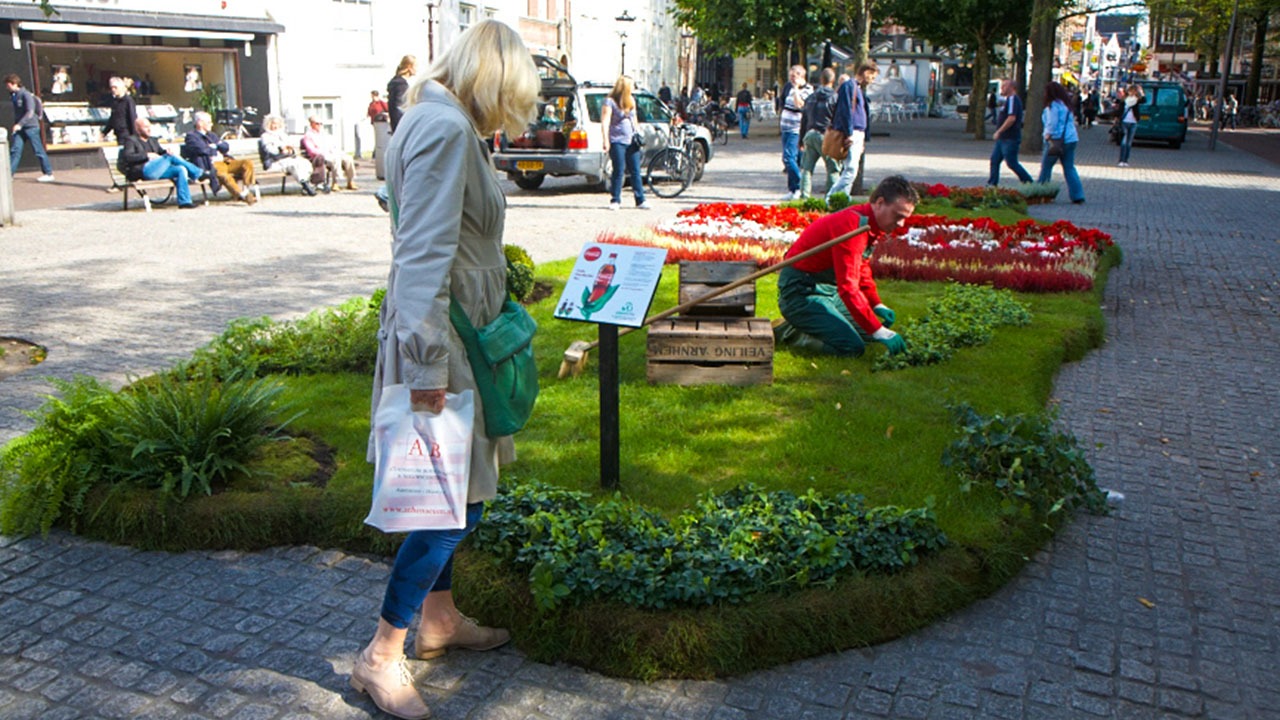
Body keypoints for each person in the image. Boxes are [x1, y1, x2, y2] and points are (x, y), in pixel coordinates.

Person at [354, 19, 538, 720]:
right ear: (493, 81)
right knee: (450, 504)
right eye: (511, 98)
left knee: (456, 493)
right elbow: (421, 258)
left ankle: (437, 618)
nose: (508, 115)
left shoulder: (438, 118)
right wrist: (428, 364)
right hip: (446, 345)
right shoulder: (443, 129)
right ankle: (380, 654)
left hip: (457, 334)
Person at [774, 175, 917, 357]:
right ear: (880, 203)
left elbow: (862, 269)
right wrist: (878, 330)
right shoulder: (852, 227)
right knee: (851, 347)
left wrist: (876, 304)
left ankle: (810, 322)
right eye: (898, 216)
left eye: (905, 218)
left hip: (827, 292)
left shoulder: (868, 223)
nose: (901, 224)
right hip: (800, 293)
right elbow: (848, 287)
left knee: (870, 333)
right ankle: (789, 332)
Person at [120, 117, 206, 209]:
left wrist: (166, 151)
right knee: (170, 157)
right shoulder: (131, 140)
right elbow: (128, 157)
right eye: (145, 127)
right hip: (143, 170)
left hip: (157, 171)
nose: (149, 129)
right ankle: (198, 173)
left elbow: (161, 153)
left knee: (181, 169)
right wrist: (147, 155)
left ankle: (184, 202)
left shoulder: (153, 140)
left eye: (149, 126)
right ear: (137, 129)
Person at [826, 61, 879, 201]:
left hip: (857, 132)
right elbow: (845, 111)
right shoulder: (850, 86)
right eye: (872, 77)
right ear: (866, 73)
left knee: (850, 169)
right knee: (850, 170)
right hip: (853, 132)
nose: (872, 81)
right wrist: (849, 133)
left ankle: (843, 198)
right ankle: (831, 197)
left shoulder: (856, 88)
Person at [181, 111, 258, 205]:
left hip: (225, 161)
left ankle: (247, 189)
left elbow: (225, 147)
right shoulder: (191, 137)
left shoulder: (212, 135)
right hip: (210, 164)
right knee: (225, 176)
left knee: (247, 163)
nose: (211, 124)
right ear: (200, 123)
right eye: (209, 122)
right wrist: (215, 147)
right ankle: (241, 195)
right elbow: (201, 150)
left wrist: (214, 146)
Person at [599, 75, 649, 211]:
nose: (633, 88)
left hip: (632, 139)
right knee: (619, 170)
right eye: (631, 86)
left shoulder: (631, 100)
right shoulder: (609, 102)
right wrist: (606, 140)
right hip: (617, 140)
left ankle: (640, 199)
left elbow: (635, 119)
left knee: (635, 171)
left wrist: (638, 133)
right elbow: (605, 121)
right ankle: (615, 199)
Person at [1037, 81, 1084, 204]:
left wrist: (1047, 135)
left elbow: (1052, 123)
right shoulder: (1066, 105)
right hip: (1071, 138)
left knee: (1046, 167)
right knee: (1069, 167)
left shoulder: (1052, 106)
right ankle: (1077, 194)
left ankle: (1041, 192)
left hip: (1056, 140)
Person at [5, 74, 54, 182]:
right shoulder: (14, 95)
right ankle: (9, 175)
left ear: (14, 84)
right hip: (21, 128)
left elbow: (30, 112)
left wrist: (19, 124)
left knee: (38, 150)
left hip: (31, 127)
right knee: (15, 150)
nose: (7, 88)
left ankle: (48, 173)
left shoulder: (26, 95)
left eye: (8, 85)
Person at [799, 68, 839, 199]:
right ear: (833, 80)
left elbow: (804, 120)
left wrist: (800, 140)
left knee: (807, 168)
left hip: (810, 133)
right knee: (833, 169)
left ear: (821, 80)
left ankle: (804, 197)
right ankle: (830, 198)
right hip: (826, 135)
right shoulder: (834, 97)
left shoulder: (811, 97)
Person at [258, 114, 319, 196]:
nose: (275, 126)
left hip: (286, 159)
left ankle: (305, 184)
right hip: (274, 162)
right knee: (293, 165)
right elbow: (270, 151)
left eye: (277, 124)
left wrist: (290, 150)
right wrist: (281, 149)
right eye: (273, 123)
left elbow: (291, 147)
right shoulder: (265, 137)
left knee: (305, 163)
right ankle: (306, 186)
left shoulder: (283, 135)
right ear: (268, 124)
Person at [988, 78, 1034, 186]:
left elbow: (1011, 118)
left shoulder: (1013, 99)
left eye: (1004, 86)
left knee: (1012, 162)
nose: (1002, 88)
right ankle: (992, 183)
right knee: (994, 160)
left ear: (1011, 88)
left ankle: (1028, 182)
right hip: (1003, 138)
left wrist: (999, 131)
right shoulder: (1007, 100)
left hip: (1010, 138)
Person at [778, 65, 810, 200]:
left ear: (801, 76)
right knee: (793, 160)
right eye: (790, 76)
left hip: (796, 129)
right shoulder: (788, 87)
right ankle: (793, 189)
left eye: (794, 76)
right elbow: (782, 101)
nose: (792, 79)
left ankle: (800, 186)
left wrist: (796, 89)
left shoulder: (807, 89)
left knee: (788, 158)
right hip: (785, 128)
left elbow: (799, 105)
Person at [302, 115, 358, 191]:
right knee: (335, 159)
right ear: (312, 124)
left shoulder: (323, 134)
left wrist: (335, 150)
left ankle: (350, 181)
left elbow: (331, 145)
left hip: (330, 153)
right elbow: (311, 150)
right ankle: (335, 182)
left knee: (348, 158)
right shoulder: (308, 136)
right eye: (317, 123)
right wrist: (325, 152)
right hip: (320, 157)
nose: (319, 125)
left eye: (321, 123)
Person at [102, 76, 137, 145]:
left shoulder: (128, 101)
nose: (113, 89)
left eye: (115, 87)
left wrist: (134, 137)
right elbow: (113, 119)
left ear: (121, 88)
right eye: (111, 87)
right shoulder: (115, 102)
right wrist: (104, 132)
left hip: (127, 135)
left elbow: (132, 117)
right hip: (118, 134)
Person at [387, 54, 416, 133]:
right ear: (409, 67)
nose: (417, 69)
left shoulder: (396, 82)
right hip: (402, 127)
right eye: (415, 66)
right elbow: (400, 108)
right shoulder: (401, 85)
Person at [1117, 84, 1142, 167]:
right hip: (1125, 121)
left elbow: (1144, 99)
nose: (1132, 92)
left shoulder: (1136, 100)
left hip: (1133, 122)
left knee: (1129, 143)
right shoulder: (1124, 100)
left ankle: (1126, 160)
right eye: (1131, 90)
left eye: (1134, 91)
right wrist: (1118, 118)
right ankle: (1121, 160)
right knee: (1123, 142)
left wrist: (1141, 91)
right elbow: (1119, 110)